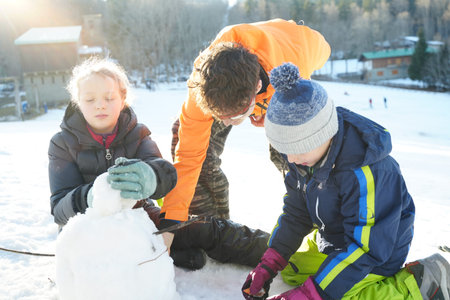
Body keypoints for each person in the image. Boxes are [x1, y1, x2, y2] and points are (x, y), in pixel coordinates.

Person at [242, 63, 450, 299]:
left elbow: (365, 249)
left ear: (324, 133)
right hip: (334, 241)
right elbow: (296, 213)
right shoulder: (304, 158)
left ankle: (421, 283)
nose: (291, 158)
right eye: (285, 150)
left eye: (299, 149)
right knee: (292, 269)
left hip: (375, 254)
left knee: (340, 295)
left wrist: (312, 294)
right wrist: (270, 262)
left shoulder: (366, 171)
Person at [48, 57, 269, 271]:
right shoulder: (62, 144)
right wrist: (91, 197)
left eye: (109, 98)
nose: (100, 106)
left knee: (202, 228)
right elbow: (59, 210)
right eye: (90, 100)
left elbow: (166, 174)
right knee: (110, 258)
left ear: (123, 98)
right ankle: (160, 254)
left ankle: (274, 251)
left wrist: (149, 176)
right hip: (90, 229)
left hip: (138, 217)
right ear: (78, 101)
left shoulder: (137, 133)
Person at [163, 18, 331, 249]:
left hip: (290, 54)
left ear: (256, 90)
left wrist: (265, 113)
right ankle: (212, 228)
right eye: (220, 116)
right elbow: (189, 156)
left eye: (233, 116)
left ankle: (318, 230)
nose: (225, 123)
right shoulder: (203, 82)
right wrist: (171, 221)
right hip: (244, 78)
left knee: (297, 155)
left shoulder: (294, 74)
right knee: (184, 134)